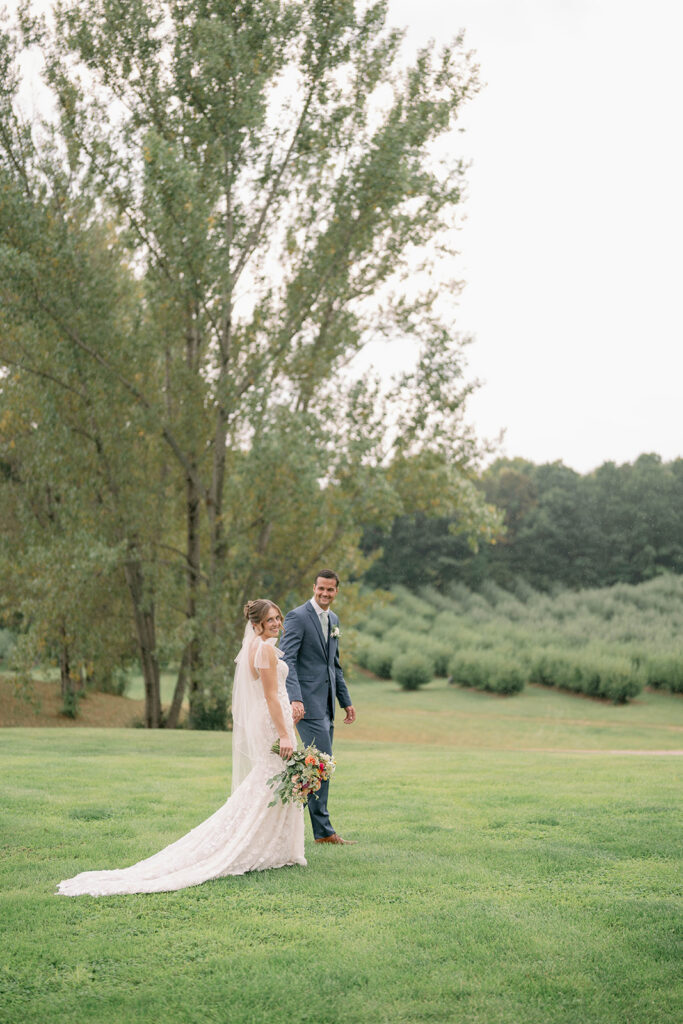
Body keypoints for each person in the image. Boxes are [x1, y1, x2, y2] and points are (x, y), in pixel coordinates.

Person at [57, 600, 305, 896]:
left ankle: (276, 846)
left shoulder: (257, 647)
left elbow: (274, 694)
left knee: (276, 779)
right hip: (273, 721)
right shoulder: (263, 649)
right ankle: (259, 844)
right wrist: (285, 734)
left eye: (278, 617)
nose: (277, 623)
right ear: (257, 625)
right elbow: (271, 697)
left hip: (274, 719)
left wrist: (289, 716)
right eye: (270, 619)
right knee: (273, 778)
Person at [280, 569, 356, 845]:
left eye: (330, 590)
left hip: (326, 704)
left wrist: (345, 702)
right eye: (320, 589)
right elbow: (287, 660)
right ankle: (319, 831)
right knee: (319, 766)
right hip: (306, 706)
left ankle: (291, 827)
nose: (325, 594)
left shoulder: (333, 619)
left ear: (336, 591)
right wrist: (295, 698)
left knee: (315, 767)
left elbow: (333, 666)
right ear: (314, 587)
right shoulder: (297, 617)